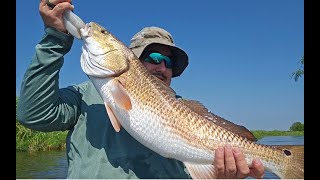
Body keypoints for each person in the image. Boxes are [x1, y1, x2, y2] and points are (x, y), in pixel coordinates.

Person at [17, 0, 265, 179]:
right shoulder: (85, 97)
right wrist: (55, 39)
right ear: (132, 59)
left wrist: (220, 176)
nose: (162, 66)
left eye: (169, 62)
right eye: (154, 56)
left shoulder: (187, 110)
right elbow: (34, 115)